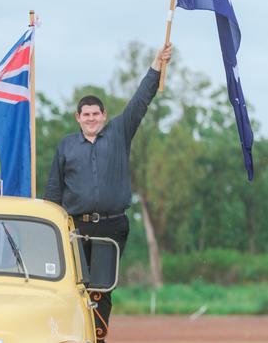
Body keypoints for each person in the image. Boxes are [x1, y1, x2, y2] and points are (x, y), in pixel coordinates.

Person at [44, 43, 173, 342]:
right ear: (77, 118)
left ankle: (98, 337)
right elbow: (54, 189)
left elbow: (141, 100)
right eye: (85, 114)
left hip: (112, 225)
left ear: (104, 115)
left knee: (101, 286)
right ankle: (74, 334)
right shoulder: (66, 146)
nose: (91, 118)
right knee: (73, 285)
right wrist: (51, 226)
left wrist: (156, 64)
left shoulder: (119, 132)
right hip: (75, 227)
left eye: (95, 113)